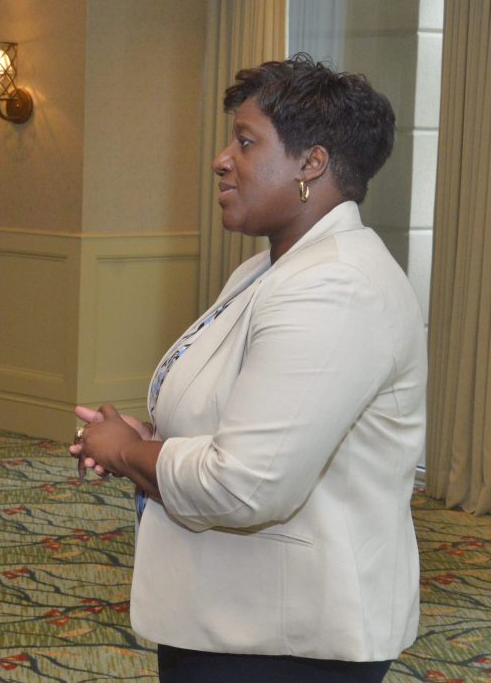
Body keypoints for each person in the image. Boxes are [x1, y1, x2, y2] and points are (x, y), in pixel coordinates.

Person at [70, 54, 426, 682]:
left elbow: (244, 485)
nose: (221, 159)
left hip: (289, 644)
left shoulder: (334, 286)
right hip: (237, 615)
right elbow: (248, 424)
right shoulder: (269, 270)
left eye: (246, 141)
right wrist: (150, 438)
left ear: (311, 164)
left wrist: (129, 452)